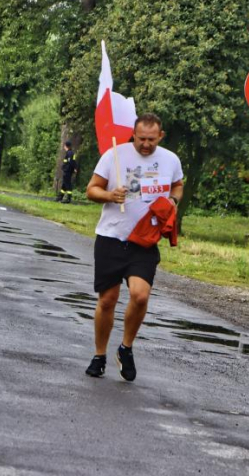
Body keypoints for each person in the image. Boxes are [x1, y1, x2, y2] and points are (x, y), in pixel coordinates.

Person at [84, 113, 183, 381]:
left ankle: (125, 348)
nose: (146, 144)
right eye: (141, 139)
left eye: (151, 139)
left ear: (160, 136)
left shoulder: (170, 160)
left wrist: (173, 201)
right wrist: (109, 195)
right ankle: (99, 355)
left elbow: (177, 185)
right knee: (108, 300)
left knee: (140, 296)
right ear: (133, 135)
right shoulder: (114, 155)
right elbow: (91, 189)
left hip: (145, 239)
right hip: (111, 237)